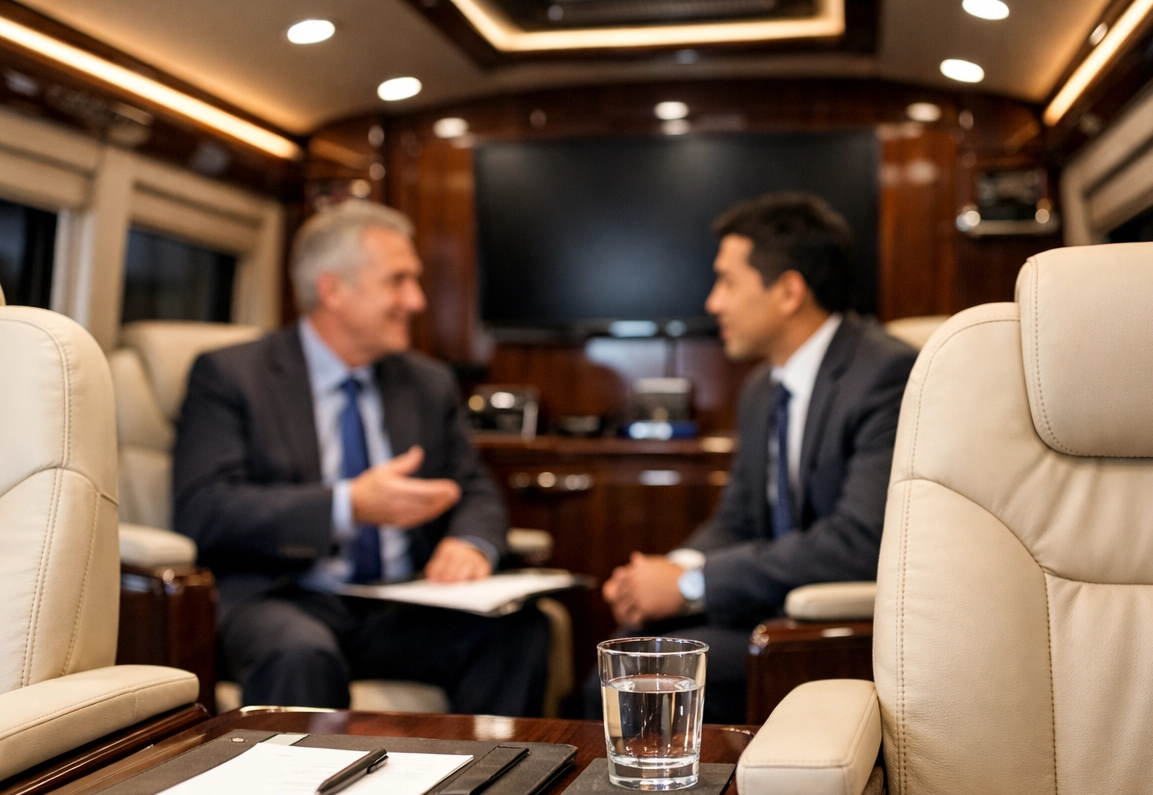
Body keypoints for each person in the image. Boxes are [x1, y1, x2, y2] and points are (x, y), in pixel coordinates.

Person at [173, 200, 550, 715]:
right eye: (398, 281)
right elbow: (204, 508)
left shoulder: (426, 382)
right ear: (333, 290)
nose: (416, 301)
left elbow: (475, 486)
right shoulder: (232, 376)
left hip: (400, 603)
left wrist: (471, 542)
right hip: (281, 598)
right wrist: (349, 505)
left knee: (520, 629)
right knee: (298, 652)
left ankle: (487, 790)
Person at [599, 192, 917, 723]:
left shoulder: (885, 374)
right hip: (773, 608)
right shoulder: (761, 387)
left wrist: (687, 586)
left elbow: (859, 543)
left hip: (843, 630)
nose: (712, 302)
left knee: (636, 683)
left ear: (789, 291)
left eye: (727, 282)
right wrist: (666, 570)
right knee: (629, 648)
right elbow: (740, 520)